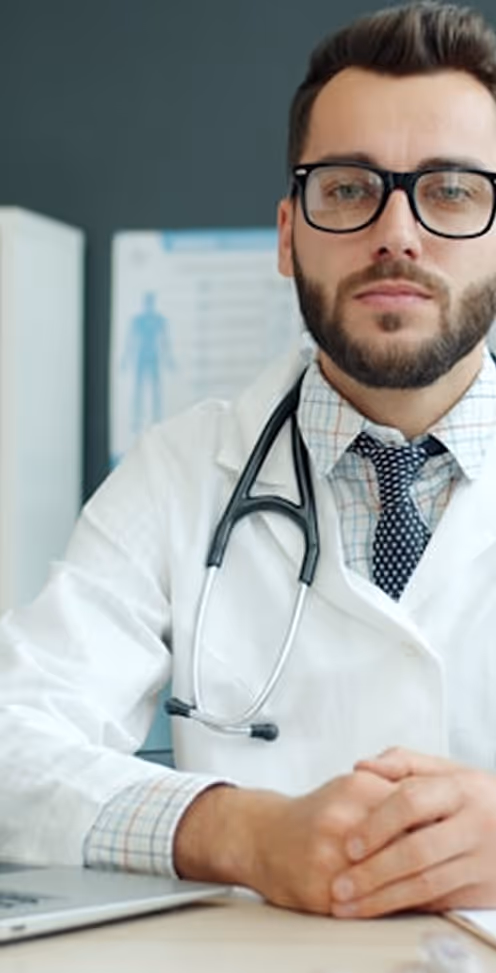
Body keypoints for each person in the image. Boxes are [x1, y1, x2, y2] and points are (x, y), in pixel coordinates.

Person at [3, 0, 496, 921]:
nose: (398, 231)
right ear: (287, 234)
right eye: (349, 188)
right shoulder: (180, 472)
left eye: (452, 190)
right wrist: (238, 831)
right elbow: (11, 741)